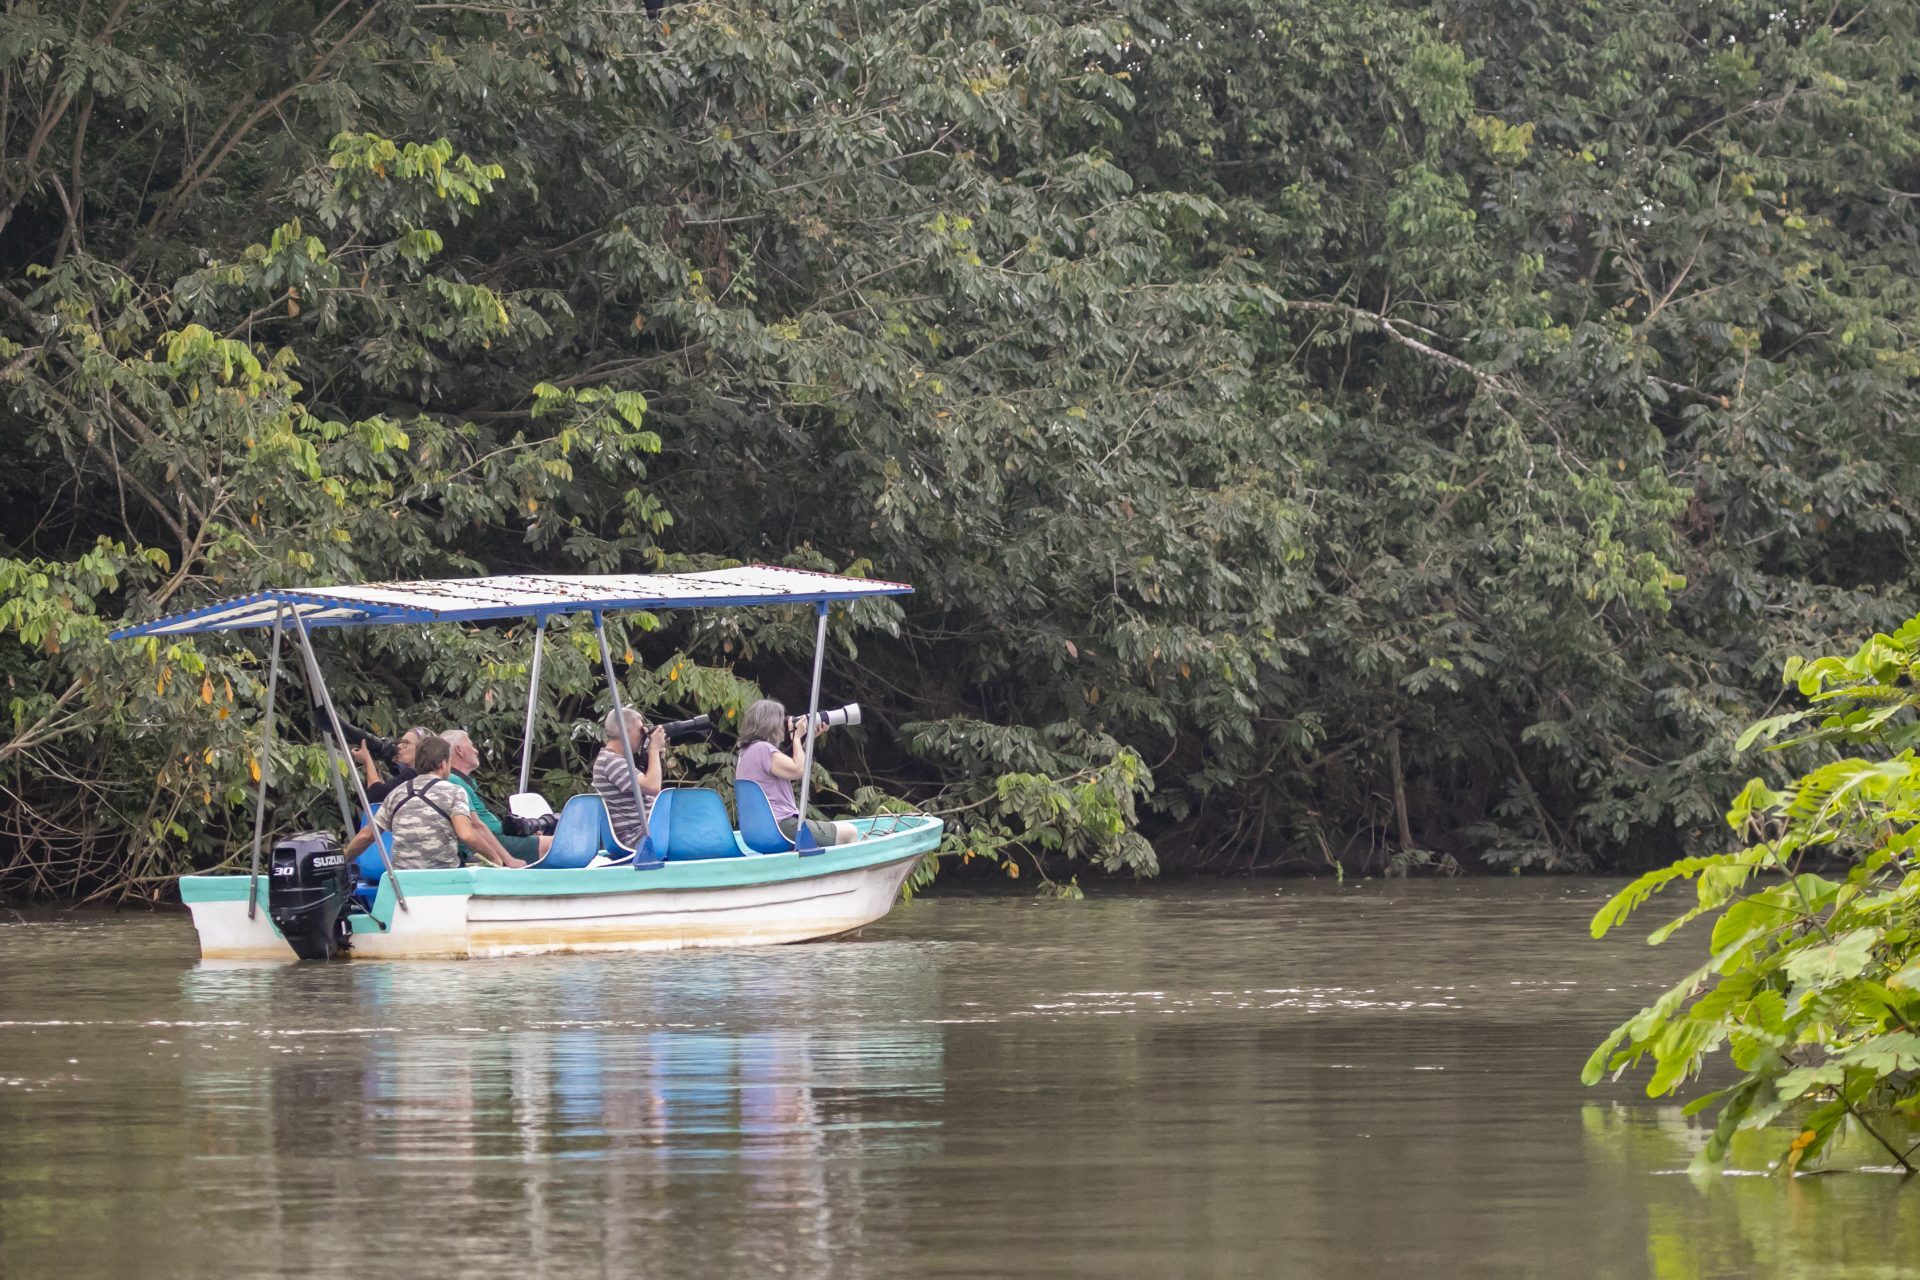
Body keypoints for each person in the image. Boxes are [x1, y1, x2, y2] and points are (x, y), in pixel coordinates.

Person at [342, 734, 526, 870]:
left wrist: (342, 860)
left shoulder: (396, 794)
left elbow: (366, 836)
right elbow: (467, 835)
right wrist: (496, 859)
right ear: (443, 764)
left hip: (404, 881)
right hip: (442, 879)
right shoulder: (454, 791)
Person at [733, 698, 859, 847]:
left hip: (758, 832)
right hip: (782, 826)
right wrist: (797, 737)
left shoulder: (746, 753)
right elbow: (798, 770)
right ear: (771, 724)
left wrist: (807, 739)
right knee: (850, 832)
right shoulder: (762, 749)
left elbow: (792, 768)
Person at [440, 729, 553, 864]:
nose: (476, 751)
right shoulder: (454, 780)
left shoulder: (465, 781)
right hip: (492, 844)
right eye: (471, 745)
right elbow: (475, 825)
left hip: (497, 838)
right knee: (559, 844)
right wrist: (508, 860)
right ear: (459, 750)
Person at [592, 708, 665, 850]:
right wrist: (653, 749)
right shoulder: (610, 761)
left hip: (645, 832)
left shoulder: (615, 760)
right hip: (634, 838)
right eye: (640, 730)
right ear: (625, 731)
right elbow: (653, 787)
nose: (644, 734)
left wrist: (654, 754)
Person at [354, 725, 430, 802]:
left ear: (421, 749)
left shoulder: (413, 774)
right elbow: (387, 794)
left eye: (406, 743)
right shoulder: (421, 775)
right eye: (401, 742)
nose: (399, 746)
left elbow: (377, 796)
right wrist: (374, 765)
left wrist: (367, 760)